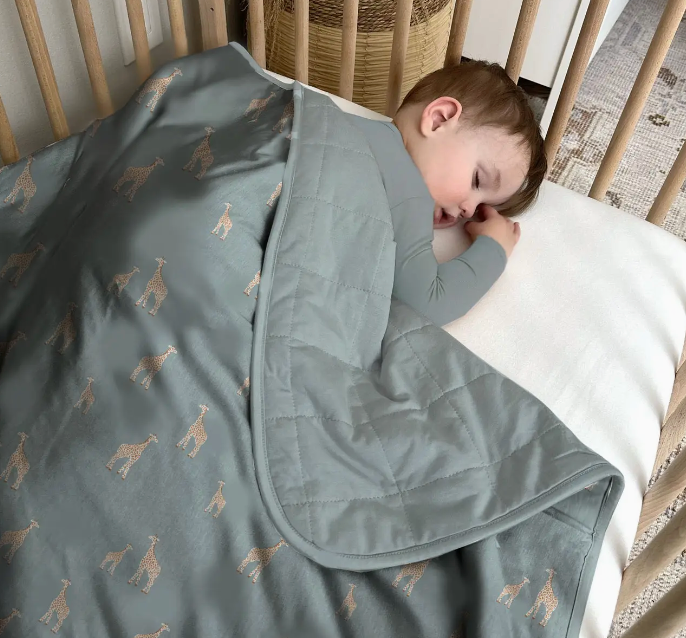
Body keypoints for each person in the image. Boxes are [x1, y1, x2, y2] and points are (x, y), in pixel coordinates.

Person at [348, 60, 547, 327]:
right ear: (439, 120)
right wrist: (494, 250)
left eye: (479, 208)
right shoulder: (409, 195)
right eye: (477, 180)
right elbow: (429, 303)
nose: (468, 211)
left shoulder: (348, 123)